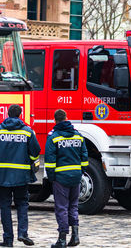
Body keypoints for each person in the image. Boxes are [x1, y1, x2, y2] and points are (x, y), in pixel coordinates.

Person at [45, 110, 88, 248]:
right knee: (73, 206)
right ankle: (75, 236)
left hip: (60, 178)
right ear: (66, 118)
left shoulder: (53, 137)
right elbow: (84, 157)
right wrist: (80, 172)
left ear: (55, 120)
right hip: (76, 177)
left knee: (62, 208)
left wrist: (52, 177)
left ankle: (62, 239)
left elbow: (50, 161)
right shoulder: (78, 136)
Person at [0, 104, 41, 247]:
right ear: (20, 115)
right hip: (21, 176)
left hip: (2, 176)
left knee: (4, 206)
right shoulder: (27, 132)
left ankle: (8, 239)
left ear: (7, 114)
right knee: (22, 204)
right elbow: (35, 151)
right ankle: (23, 233)